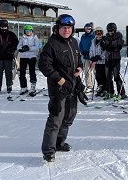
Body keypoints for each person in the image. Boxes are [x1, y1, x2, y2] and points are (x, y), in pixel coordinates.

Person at [39, 14, 87, 162]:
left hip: (72, 86)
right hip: (58, 89)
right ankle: (49, 151)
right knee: (55, 119)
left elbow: (78, 59)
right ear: (58, 28)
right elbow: (43, 65)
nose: (66, 30)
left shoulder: (73, 42)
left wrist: (79, 68)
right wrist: (58, 79)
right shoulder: (52, 44)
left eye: (69, 28)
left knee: (69, 117)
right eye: (64, 27)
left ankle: (59, 143)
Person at [0, 19, 19, 99]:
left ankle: (9, 86)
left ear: (7, 26)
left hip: (8, 57)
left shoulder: (11, 35)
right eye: (2, 27)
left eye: (5, 27)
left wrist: (12, 49)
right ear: (0, 27)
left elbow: (17, 44)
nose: (4, 28)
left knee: (8, 73)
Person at [101, 22, 126, 99]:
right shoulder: (106, 37)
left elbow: (120, 46)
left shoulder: (118, 36)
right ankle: (110, 92)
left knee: (116, 76)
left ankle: (121, 93)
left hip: (116, 58)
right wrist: (104, 46)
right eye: (109, 30)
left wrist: (113, 48)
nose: (110, 32)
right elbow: (103, 46)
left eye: (112, 30)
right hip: (108, 58)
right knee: (108, 76)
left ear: (115, 30)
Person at [17, 25, 40, 95]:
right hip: (23, 57)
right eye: (26, 31)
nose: (28, 32)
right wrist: (22, 48)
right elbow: (18, 47)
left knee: (32, 71)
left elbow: (36, 47)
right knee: (22, 72)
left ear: (32, 31)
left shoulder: (35, 38)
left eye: (29, 31)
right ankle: (23, 86)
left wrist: (28, 48)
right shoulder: (22, 38)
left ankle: (33, 86)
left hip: (32, 57)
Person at [89, 26, 107, 96]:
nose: (99, 34)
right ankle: (100, 87)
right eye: (97, 33)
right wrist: (92, 57)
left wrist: (100, 57)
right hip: (96, 62)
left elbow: (105, 51)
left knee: (103, 75)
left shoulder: (104, 40)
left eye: (100, 32)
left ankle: (105, 88)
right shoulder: (93, 41)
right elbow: (91, 50)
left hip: (103, 62)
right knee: (97, 75)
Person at [79, 23, 95, 93]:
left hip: (93, 57)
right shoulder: (83, 36)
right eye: (86, 28)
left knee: (95, 72)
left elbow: (94, 46)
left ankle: (100, 86)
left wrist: (90, 52)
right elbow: (80, 45)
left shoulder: (93, 36)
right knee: (87, 72)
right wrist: (82, 52)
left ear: (91, 29)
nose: (87, 30)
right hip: (86, 57)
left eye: (89, 28)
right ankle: (89, 86)